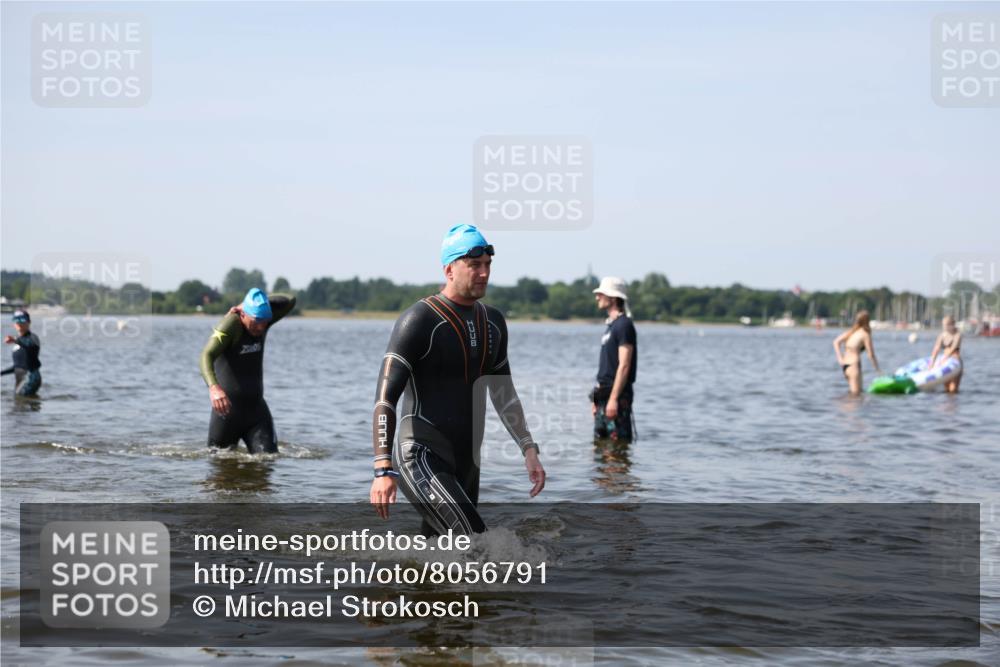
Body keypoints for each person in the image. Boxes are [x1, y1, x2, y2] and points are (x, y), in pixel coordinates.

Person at [369, 223, 545, 536]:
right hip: (419, 455)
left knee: (442, 548)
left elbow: (504, 395)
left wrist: (528, 448)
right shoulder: (419, 320)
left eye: (488, 265)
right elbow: (385, 400)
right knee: (476, 542)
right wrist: (383, 468)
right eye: (474, 265)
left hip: (466, 462)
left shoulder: (493, 322)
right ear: (450, 269)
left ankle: (408, 582)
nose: (484, 273)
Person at [199, 287, 296, 453]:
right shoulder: (229, 325)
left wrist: (250, 303)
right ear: (243, 314)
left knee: (268, 462)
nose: (260, 327)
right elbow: (206, 356)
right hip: (227, 413)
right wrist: (214, 388)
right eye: (256, 321)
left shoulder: (264, 321)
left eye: (264, 322)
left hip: (256, 411)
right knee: (220, 467)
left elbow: (290, 299)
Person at [590, 277, 638, 441]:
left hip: (615, 396)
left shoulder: (624, 325)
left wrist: (613, 399)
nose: (597, 297)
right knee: (601, 449)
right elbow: (606, 367)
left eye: (601, 294)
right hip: (603, 396)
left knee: (616, 453)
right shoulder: (612, 326)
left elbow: (624, 365)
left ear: (612, 297)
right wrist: (596, 401)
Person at [833, 310, 880, 395]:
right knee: (856, 396)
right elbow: (871, 354)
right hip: (854, 366)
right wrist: (878, 370)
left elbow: (836, 342)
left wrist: (840, 359)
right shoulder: (865, 334)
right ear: (867, 321)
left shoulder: (852, 332)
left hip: (845, 366)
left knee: (852, 395)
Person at [2, 310, 42, 396]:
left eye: (22, 320)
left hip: (31, 377)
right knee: (17, 401)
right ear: (14, 324)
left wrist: (15, 340)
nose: (19, 323)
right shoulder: (17, 343)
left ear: (29, 322)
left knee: (20, 401)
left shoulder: (33, 338)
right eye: (16, 320)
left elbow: (30, 345)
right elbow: (18, 366)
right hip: (20, 379)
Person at [928, 315, 962, 393]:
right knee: (947, 389)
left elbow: (953, 347)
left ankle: (955, 404)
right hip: (945, 362)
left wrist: (945, 359)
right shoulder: (942, 335)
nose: (944, 327)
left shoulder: (957, 335)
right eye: (943, 325)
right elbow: (936, 349)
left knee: (953, 389)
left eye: (946, 325)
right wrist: (932, 363)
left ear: (952, 325)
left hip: (955, 361)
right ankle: (947, 405)